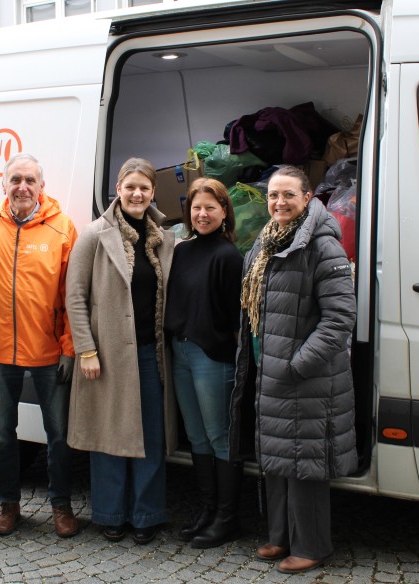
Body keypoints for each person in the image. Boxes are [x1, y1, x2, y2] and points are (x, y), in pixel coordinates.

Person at [234, 165, 357, 574]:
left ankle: (312, 545)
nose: (279, 202)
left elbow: (339, 319)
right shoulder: (265, 243)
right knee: (276, 455)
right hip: (272, 367)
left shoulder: (324, 247)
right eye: (273, 195)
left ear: (308, 198)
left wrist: (296, 365)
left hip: (306, 375)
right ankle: (279, 536)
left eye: (288, 194)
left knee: (305, 462)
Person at [66, 157, 176, 545]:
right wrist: (86, 351)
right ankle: (111, 513)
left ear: (152, 192)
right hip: (107, 355)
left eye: (144, 187)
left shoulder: (163, 236)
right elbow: (75, 297)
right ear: (118, 188)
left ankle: (146, 514)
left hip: (150, 353)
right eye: (130, 186)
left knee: (149, 436)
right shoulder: (94, 235)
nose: (137, 193)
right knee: (109, 435)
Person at [0, 153, 79, 538]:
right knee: (2, 433)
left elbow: (72, 294)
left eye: (29, 180)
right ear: (3, 184)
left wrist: (69, 347)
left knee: (59, 435)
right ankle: (8, 503)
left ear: (41, 186)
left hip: (49, 353)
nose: (22, 187)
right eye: (15, 179)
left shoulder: (62, 228)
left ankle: (61, 505)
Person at [164, 177, 244, 548]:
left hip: (211, 356)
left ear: (224, 212)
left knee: (219, 437)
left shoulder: (229, 256)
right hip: (180, 353)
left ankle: (226, 519)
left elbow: (234, 316)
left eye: (210, 207)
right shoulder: (182, 251)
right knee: (195, 435)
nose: (202, 214)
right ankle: (207, 510)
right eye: (196, 207)